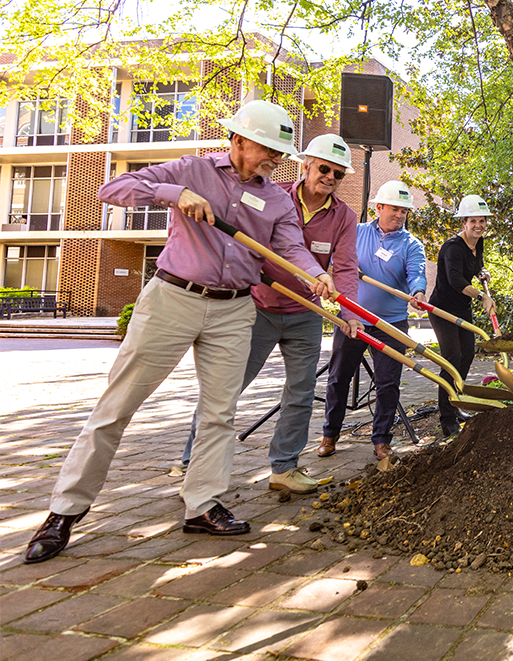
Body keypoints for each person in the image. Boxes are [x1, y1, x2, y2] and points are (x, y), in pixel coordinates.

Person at [24, 100, 336, 564]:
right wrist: (173, 194)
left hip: (233, 311)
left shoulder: (274, 199)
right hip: (172, 299)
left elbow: (290, 247)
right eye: (267, 146)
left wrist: (315, 274)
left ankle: (202, 504)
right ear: (238, 140)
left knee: (219, 414)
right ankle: (64, 511)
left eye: (278, 150)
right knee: (117, 407)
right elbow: (113, 188)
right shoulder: (191, 168)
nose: (274, 156)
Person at [179, 134, 362, 493]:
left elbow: (345, 266)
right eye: (324, 168)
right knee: (226, 387)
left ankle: (284, 467)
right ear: (305, 165)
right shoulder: (270, 193)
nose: (330, 177)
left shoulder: (344, 216)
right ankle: (191, 460)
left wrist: (350, 311)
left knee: (301, 390)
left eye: (338, 174)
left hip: (305, 311)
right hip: (258, 306)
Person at [320, 180, 426, 461]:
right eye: (394, 209)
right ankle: (330, 434)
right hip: (352, 319)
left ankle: (381, 440)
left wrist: (417, 292)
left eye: (404, 211)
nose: (400, 215)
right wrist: (342, 266)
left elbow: (417, 273)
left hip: (390, 324)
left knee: (388, 383)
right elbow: (335, 259)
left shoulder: (411, 244)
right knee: (338, 378)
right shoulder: (355, 233)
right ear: (378, 207)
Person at [429, 195, 497, 436]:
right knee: (451, 358)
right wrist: (482, 297)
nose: (478, 225)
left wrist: (482, 271)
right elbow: (456, 280)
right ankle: (447, 419)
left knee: (467, 353)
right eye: (473, 221)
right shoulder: (452, 248)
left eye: (482, 221)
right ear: (463, 223)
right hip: (442, 309)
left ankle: (456, 404)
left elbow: (475, 264)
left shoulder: (477, 242)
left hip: (461, 308)